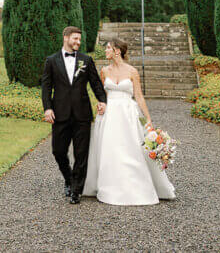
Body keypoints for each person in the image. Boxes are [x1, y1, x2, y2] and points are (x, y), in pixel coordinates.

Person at [82, 38, 176, 205]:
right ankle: (110, 185)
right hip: (109, 114)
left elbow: (138, 96)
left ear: (117, 51)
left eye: (108, 48)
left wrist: (148, 119)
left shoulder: (132, 71)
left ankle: (135, 186)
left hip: (127, 113)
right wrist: (100, 104)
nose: (106, 51)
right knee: (110, 149)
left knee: (130, 149)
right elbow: (102, 94)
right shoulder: (104, 71)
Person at [40, 26, 107, 204]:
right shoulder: (51, 61)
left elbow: (95, 83)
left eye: (79, 40)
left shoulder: (86, 60)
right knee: (58, 151)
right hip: (60, 114)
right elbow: (46, 87)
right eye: (75, 39)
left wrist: (102, 100)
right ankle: (69, 178)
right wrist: (47, 108)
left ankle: (77, 190)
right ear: (66, 38)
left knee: (81, 154)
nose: (78, 42)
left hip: (82, 114)